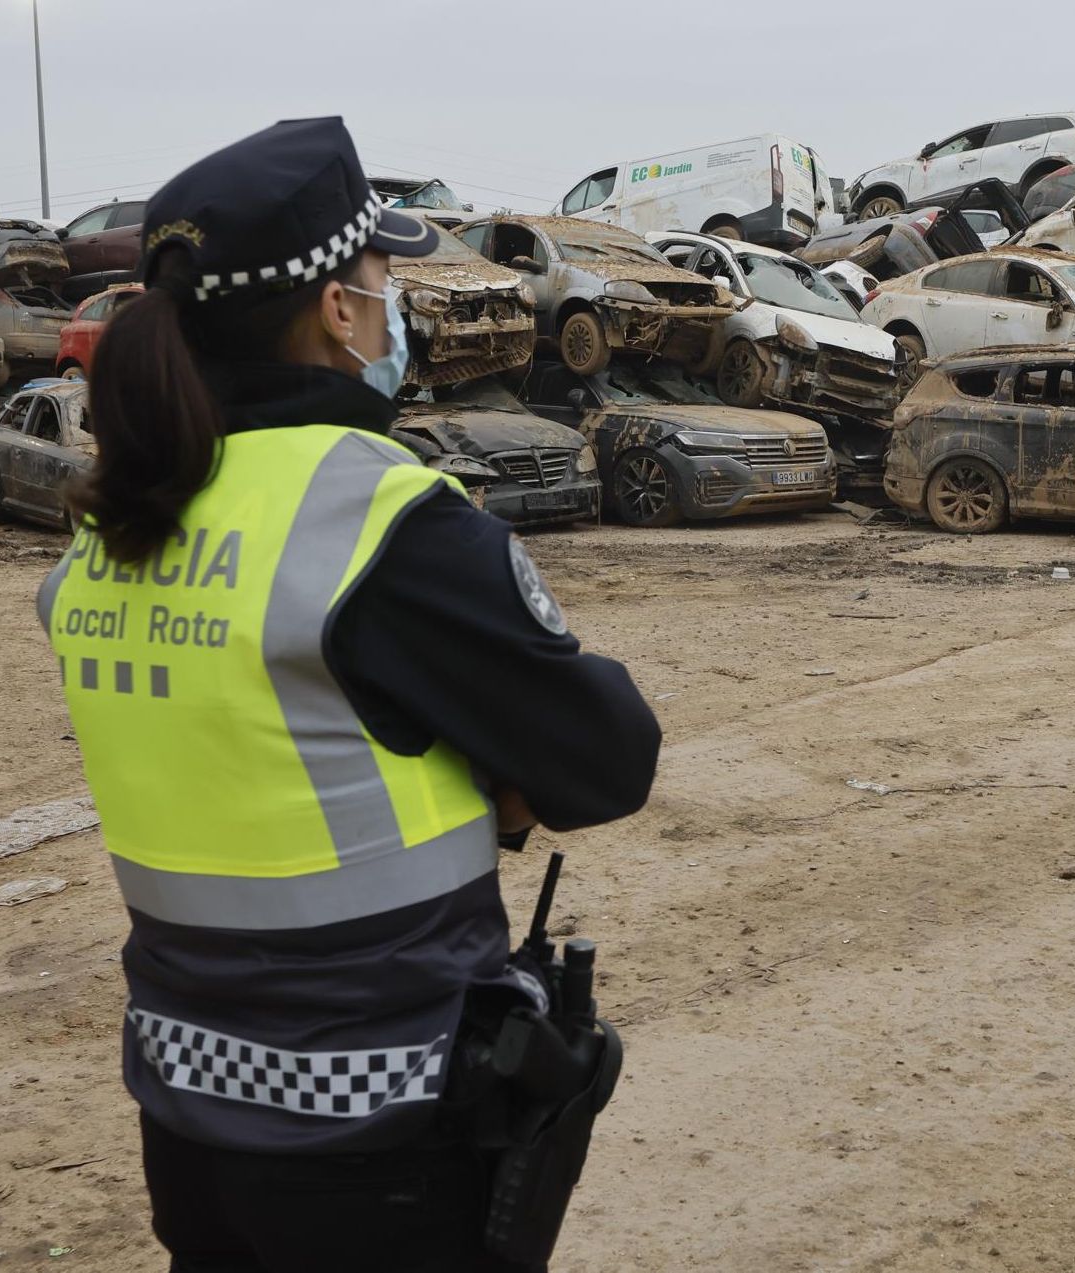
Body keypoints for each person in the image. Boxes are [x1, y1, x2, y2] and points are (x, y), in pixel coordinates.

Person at [35, 117, 661, 1272]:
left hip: (187, 1107)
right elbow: (608, 756)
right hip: (381, 1125)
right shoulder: (375, 521)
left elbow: (255, 759)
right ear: (337, 308)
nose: (396, 306)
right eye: (384, 278)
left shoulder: (110, 535)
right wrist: (501, 796)